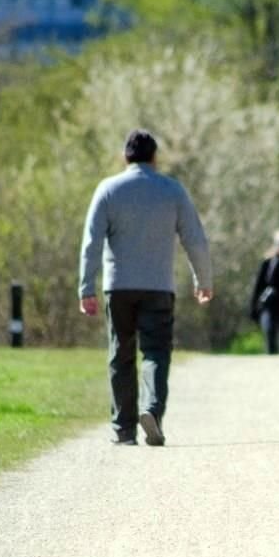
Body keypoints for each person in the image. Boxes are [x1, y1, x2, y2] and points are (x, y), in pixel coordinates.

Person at [78, 129, 213, 446]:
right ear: (155, 158)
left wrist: (86, 288)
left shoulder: (108, 189)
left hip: (119, 287)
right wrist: (203, 281)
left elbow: (91, 243)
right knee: (155, 352)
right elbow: (195, 239)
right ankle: (151, 411)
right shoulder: (172, 190)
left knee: (120, 355)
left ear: (125, 157)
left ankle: (124, 430)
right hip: (158, 287)